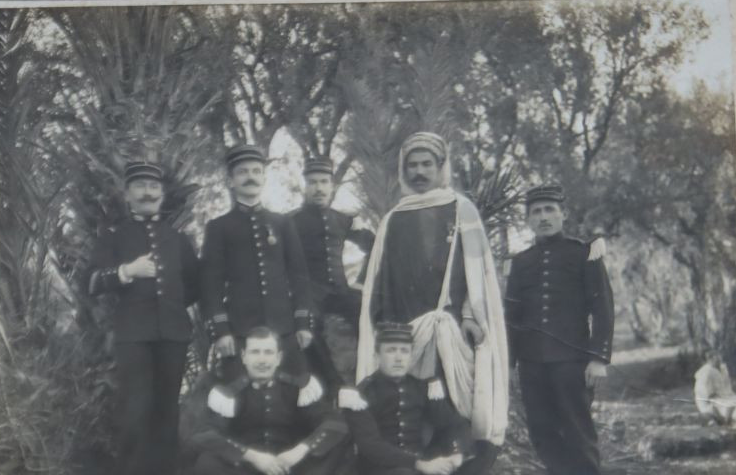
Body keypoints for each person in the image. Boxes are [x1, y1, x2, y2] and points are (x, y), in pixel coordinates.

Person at [355, 132, 511, 448]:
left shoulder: (461, 210)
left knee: (451, 406)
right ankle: (416, 470)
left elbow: (476, 273)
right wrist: (386, 327)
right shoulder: (394, 219)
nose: (419, 172)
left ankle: (458, 470)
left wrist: (469, 316)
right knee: (412, 405)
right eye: (412, 165)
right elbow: (381, 280)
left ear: (441, 167)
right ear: (404, 170)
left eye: (427, 164)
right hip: (405, 331)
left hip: (450, 328)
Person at [505, 183, 617, 475]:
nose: (543, 217)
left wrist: (598, 358)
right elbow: (512, 318)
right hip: (532, 362)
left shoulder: (584, 254)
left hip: (571, 360)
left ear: (562, 213)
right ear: (527, 219)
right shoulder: (521, 262)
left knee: (578, 433)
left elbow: (602, 308)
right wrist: (509, 365)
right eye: (536, 212)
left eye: (550, 209)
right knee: (544, 432)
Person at [86, 161, 200, 475]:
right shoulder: (114, 238)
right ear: (128, 195)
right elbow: (90, 282)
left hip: (173, 333)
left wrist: (175, 310)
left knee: (168, 408)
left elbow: (192, 286)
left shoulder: (179, 240)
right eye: (140, 186)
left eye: (154, 187)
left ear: (162, 195)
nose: (148, 192)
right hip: (133, 334)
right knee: (135, 408)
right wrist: (125, 271)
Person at [342, 323, 503, 475]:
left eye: (404, 351)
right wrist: (421, 465)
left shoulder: (421, 387)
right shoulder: (361, 393)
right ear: (377, 354)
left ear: (411, 355)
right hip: (384, 474)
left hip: (425, 464)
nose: (398, 358)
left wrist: (456, 455)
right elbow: (371, 447)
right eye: (391, 350)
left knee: (487, 448)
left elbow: (453, 424)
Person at [189, 328, 348, 475]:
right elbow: (203, 434)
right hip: (249, 474)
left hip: (292, 468)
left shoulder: (298, 388)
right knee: (206, 465)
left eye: (268, 352)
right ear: (244, 357)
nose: (262, 360)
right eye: (255, 352)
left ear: (279, 357)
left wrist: (301, 450)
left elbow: (334, 423)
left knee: (335, 442)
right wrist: (252, 457)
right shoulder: (230, 394)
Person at [199, 145, 315, 380]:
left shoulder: (282, 223)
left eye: (255, 171)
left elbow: (299, 277)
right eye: (242, 172)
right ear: (231, 180)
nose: (250, 177)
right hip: (239, 331)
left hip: (284, 330)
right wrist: (221, 331)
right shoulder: (219, 227)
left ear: (263, 177)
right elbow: (210, 285)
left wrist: (303, 323)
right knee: (238, 402)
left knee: (295, 397)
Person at [287, 157, 376, 388]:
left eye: (324, 182)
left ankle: (370, 380)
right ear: (304, 187)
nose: (319, 188)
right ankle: (334, 387)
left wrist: (361, 282)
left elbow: (375, 245)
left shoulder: (342, 219)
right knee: (308, 329)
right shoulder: (291, 222)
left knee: (367, 314)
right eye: (313, 183)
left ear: (332, 186)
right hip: (310, 294)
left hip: (341, 290)